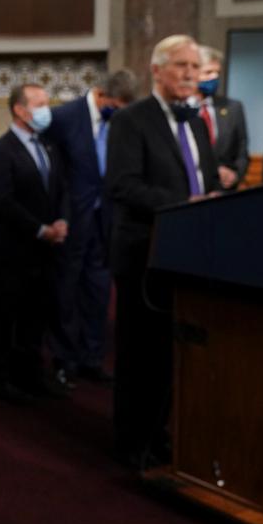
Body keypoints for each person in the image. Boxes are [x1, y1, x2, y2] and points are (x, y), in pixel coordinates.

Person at [106, 34, 221, 470]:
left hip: (190, 254)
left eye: (196, 66)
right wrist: (182, 206)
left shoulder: (194, 121)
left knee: (174, 353)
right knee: (140, 354)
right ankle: (132, 443)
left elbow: (206, 183)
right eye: (181, 66)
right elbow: (122, 185)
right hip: (144, 254)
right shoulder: (132, 120)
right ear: (156, 70)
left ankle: (160, 435)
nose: (190, 74)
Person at [45, 70, 137, 387]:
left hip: (106, 220)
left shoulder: (122, 122)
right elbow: (49, 171)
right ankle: (63, 359)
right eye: (115, 104)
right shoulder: (64, 117)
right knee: (66, 289)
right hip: (72, 218)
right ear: (100, 95)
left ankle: (91, 357)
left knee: (98, 290)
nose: (119, 111)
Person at [0, 83, 70, 404]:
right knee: (6, 317)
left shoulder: (48, 146)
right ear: (20, 110)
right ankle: (1, 379)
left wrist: (61, 221)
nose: (47, 109)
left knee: (36, 317)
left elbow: (60, 189)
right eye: (40, 103)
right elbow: (1, 202)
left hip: (46, 252)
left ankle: (30, 375)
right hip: (12, 252)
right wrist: (39, 229)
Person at [196, 46, 249, 190]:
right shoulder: (183, 109)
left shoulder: (233, 108)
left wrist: (236, 174)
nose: (214, 77)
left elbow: (242, 150)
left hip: (223, 192)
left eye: (217, 73)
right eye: (208, 72)